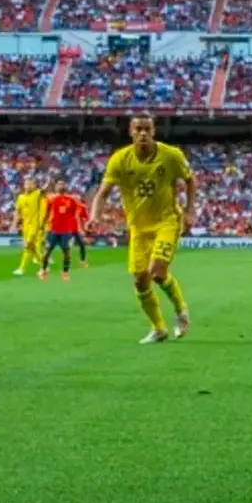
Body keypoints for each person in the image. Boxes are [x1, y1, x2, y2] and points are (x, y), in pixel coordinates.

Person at [86, 115, 196, 344]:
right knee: (140, 280)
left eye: (147, 129)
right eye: (138, 129)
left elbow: (190, 180)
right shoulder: (120, 159)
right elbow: (103, 193)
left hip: (167, 221)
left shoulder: (171, 155)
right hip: (138, 227)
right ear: (131, 132)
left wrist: (189, 210)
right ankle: (158, 328)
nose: (143, 133)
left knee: (157, 272)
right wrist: (94, 217)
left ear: (154, 131)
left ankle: (181, 310)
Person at [38, 180, 79, 282]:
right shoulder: (51, 198)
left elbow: (74, 215)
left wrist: (74, 229)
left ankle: (65, 272)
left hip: (66, 231)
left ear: (66, 186)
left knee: (66, 252)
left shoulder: (72, 199)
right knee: (47, 250)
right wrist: (42, 225)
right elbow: (47, 212)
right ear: (55, 187)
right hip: (53, 230)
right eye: (59, 184)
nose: (61, 186)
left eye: (63, 184)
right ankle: (43, 270)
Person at [10, 178, 49, 276]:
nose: (28, 185)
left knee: (28, 245)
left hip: (35, 225)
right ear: (24, 185)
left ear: (34, 186)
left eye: (31, 184)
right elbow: (17, 212)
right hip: (25, 226)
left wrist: (48, 181)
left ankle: (22, 268)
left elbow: (44, 189)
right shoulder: (20, 197)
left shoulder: (36, 194)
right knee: (31, 247)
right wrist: (14, 224)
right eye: (27, 183)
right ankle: (44, 265)